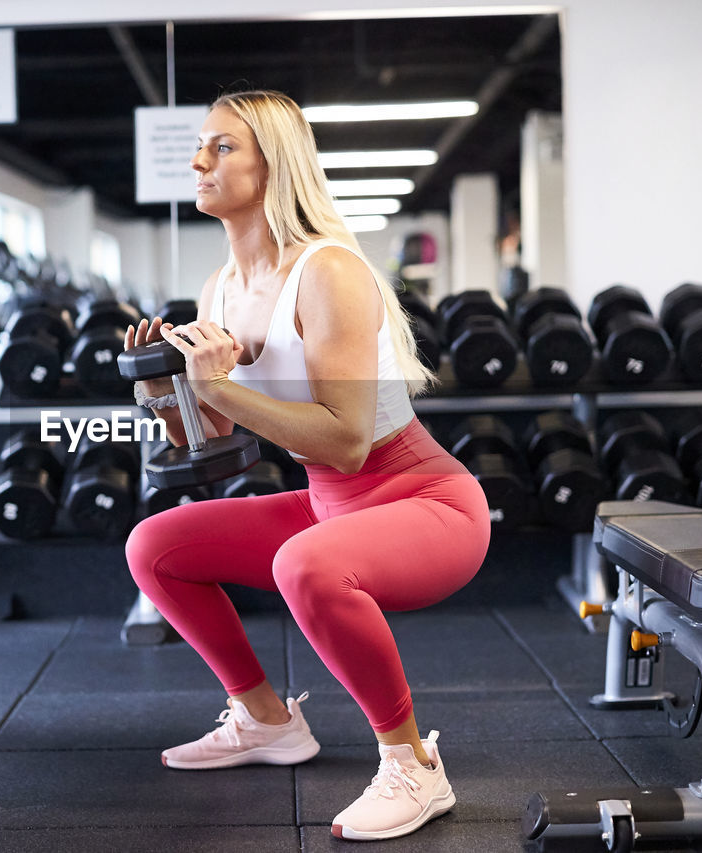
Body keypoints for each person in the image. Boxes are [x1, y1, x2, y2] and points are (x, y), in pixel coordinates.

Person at [122, 89, 492, 842]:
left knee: (305, 564)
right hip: (329, 503)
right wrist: (167, 394)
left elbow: (350, 440)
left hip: (426, 500)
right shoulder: (223, 287)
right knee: (154, 545)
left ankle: (413, 763)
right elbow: (217, 435)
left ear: (273, 164)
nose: (198, 160)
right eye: (200, 145)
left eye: (222, 147)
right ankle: (265, 721)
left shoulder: (328, 272)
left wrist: (214, 382)